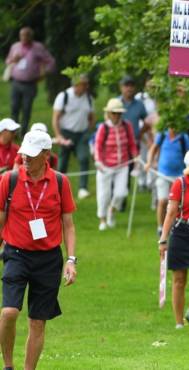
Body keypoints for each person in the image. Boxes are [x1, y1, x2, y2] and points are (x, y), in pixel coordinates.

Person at [0, 130, 77, 370]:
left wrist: (71, 260)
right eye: (24, 153)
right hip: (16, 254)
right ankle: (9, 365)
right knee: (9, 312)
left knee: (37, 321)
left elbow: (68, 224)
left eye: (32, 155)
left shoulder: (61, 182)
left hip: (49, 259)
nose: (25, 158)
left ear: (46, 155)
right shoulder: (9, 180)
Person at [158, 148, 189, 329]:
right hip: (181, 232)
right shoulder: (180, 183)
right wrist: (163, 239)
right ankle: (179, 322)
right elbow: (171, 212)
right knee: (179, 279)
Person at [94, 98, 138, 231]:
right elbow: (98, 146)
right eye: (114, 113)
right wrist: (98, 161)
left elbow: (132, 144)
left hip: (123, 165)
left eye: (119, 113)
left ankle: (111, 211)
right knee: (104, 194)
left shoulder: (127, 125)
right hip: (105, 166)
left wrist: (136, 158)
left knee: (121, 193)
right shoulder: (103, 127)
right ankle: (102, 219)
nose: (116, 116)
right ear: (108, 113)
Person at [5, 27, 55, 137]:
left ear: (31, 36)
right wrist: (14, 60)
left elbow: (50, 62)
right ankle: (14, 132)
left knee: (26, 109)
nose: (24, 37)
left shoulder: (38, 48)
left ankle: (23, 132)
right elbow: (7, 61)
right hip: (16, 82)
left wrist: (44, 73)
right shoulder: (15, 46)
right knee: (14, 107)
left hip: (30, 84)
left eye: (26, 35)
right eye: (22, 35)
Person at [52, 74, 95, 199]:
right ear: (76, 85)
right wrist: (58, 135)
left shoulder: (88, 98)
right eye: (83, 84)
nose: (86, 87)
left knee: (83, 158)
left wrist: (88, 130)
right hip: (66, 132)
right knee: (63, 162)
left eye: (86, 84)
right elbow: (55, 118)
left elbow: (92, 117)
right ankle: (58, 188)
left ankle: (83, 188)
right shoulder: (64, 96)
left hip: (82, 134)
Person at [145, 127, 189, 236]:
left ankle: (174, 226)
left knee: (177, 203)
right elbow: (154, 148)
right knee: (162, 201)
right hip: (163, 174)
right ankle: (160, 227)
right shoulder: (162, 135)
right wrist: (149, 162)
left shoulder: (184, 137)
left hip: (179, 175)